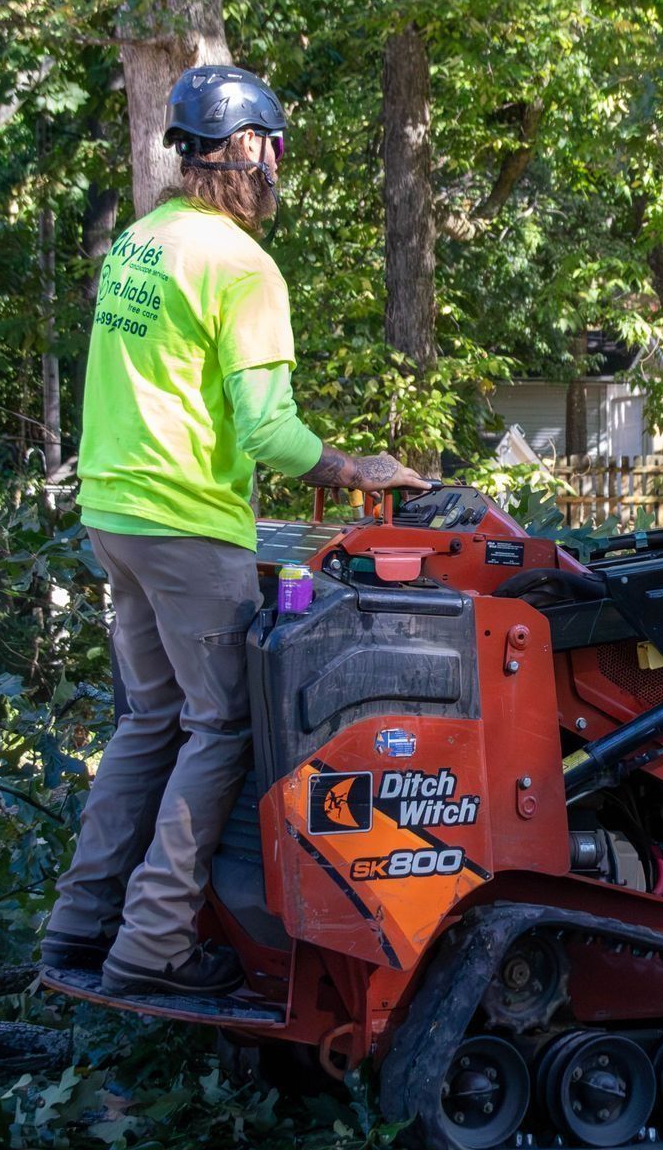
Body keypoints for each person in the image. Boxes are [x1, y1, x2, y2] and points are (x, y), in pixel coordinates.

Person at [39, 66, 432, 996]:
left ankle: (76, 925)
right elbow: (266, 430)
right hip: (184, 524)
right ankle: (152, 946)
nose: (277, 169)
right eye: (275, 149)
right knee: (221, 725)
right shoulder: (241, 265)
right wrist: (355, 469)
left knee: (152, 718)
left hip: (114, 518)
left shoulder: (139, 244)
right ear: (251, 149)